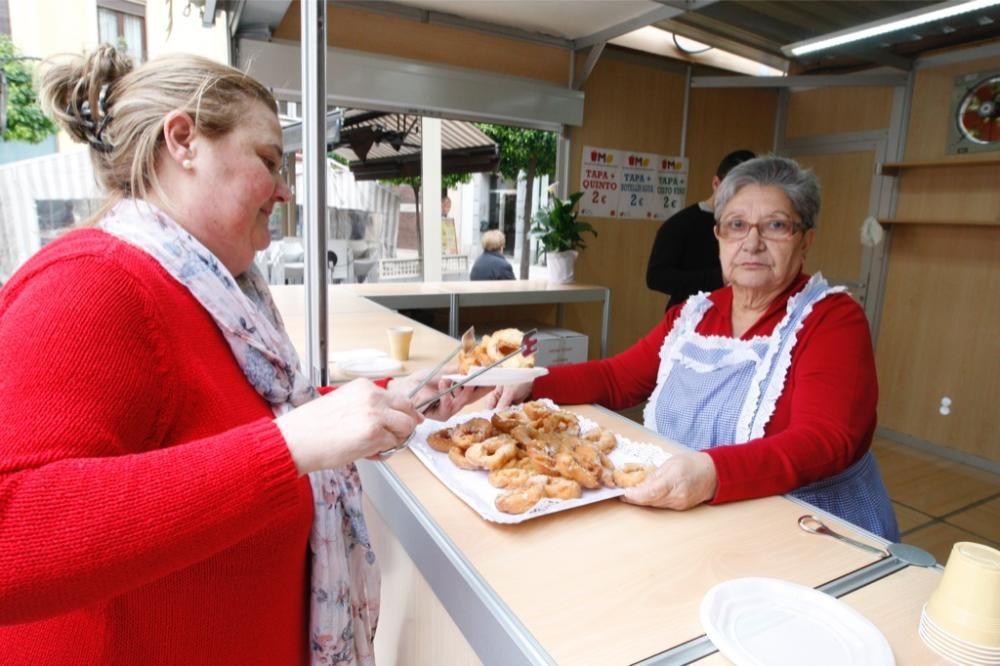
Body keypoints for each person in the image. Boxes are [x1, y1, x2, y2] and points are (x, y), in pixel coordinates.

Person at [0, 46, 485, 664]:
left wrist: (388, 403)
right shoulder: (93, 281)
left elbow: (218, 427)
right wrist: (286, 448)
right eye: (268, 160)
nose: (285, 191)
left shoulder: (219, 292)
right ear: (183, 141)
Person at [492, 155, 899, 541]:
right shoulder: (696, 313)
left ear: (805, 239)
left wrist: (711, 473)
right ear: (718, 236)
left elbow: (825, 440)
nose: (752, 242)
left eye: (776, 225)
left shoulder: (831, 319)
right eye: (736, 224)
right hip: (698, 513)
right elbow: (617, 378)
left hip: (810, 526)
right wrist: (530, 382)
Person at [647, 149, 756, 309]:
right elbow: (656, 277)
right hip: (689, 317)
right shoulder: (681, 224)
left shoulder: (754, 225)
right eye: (735, 192)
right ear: (716, 184)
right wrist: (719, 278)